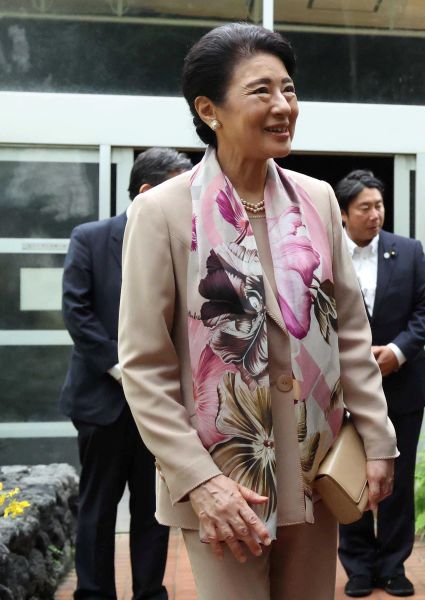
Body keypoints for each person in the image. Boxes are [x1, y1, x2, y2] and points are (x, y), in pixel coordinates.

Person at [117, 23, 398, 600]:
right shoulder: (164, 213)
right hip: (224, 478)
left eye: (289, 89)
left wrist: (377, 438)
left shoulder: (317, 198)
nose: (283, 106)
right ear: (209, 109)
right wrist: (199, 482)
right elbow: (145, 365)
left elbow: (350, 331)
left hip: (317, 469)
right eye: (261, 91)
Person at [60, 147, 191, 600]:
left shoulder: (184, 246)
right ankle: (93, 594)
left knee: (152, 508)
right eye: (181, 189)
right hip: (103, 400)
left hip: (159, 406)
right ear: (148, 192)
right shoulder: (91, 238)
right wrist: (125, 369)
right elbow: (77, 314)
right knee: (97, 506)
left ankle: (149, 593)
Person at [334, 170, 425, 598]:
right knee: (349, 476)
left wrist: (396, 352)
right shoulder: (325, 252)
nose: (375, 215)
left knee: (397, 477)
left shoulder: (408, 251)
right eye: (365, 208)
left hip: (402, 386)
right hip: (344, 390)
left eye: (379, 206)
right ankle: (358, 566)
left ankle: (394, 566)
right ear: (343, 214)